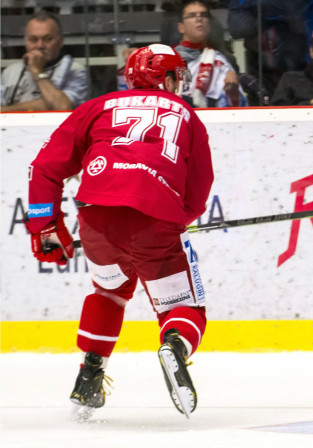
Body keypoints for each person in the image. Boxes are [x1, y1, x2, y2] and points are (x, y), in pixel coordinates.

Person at [25, 44, 213, 419]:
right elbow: (198, 187)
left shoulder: (96, 106)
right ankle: (173, 346)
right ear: (169, 78)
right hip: (155, 217)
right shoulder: (188, 116)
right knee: (183, 307)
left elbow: (44, 168)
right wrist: (178, 219)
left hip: (96, 215)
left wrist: (45, 226)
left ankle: (89, 376)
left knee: (110, 291)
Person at [227, 0, 313, 104]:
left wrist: (249, 6)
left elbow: (291, 6)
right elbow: (237, 27)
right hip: (261, 67)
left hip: (302, 65)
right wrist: (270, 19)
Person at [1, 11, 89, 112]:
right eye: (33, 39)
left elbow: (63, 107)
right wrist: (45, 104)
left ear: (61, 41)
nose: (40, 45)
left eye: (47, 39)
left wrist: (38, 72)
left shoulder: (75, 70)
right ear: (25, 41)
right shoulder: (10, 71)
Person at [174, 0, 246, 107]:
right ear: (181, 27)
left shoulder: (220, 60)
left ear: (209, 25)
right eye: (192, 15)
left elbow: (237, 109)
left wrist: (233, 92)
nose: (199, 19)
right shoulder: (168, 58)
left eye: (204, 15)